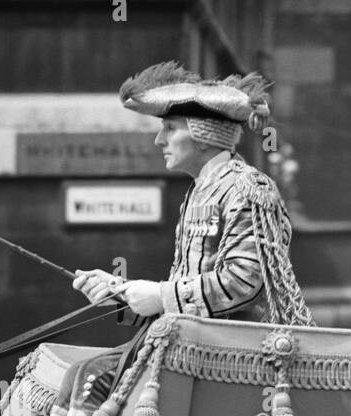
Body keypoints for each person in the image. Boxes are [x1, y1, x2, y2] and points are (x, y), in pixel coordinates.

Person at [72, 62, 312, 327]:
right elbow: (187, 304)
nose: (159, 140)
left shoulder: (248, 188)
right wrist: (120, 295)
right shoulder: (201, 190)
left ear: (204, 135)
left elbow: (245, 282)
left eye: (171, 128)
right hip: (193, 345)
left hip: (232, 354)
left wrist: (161, 295)